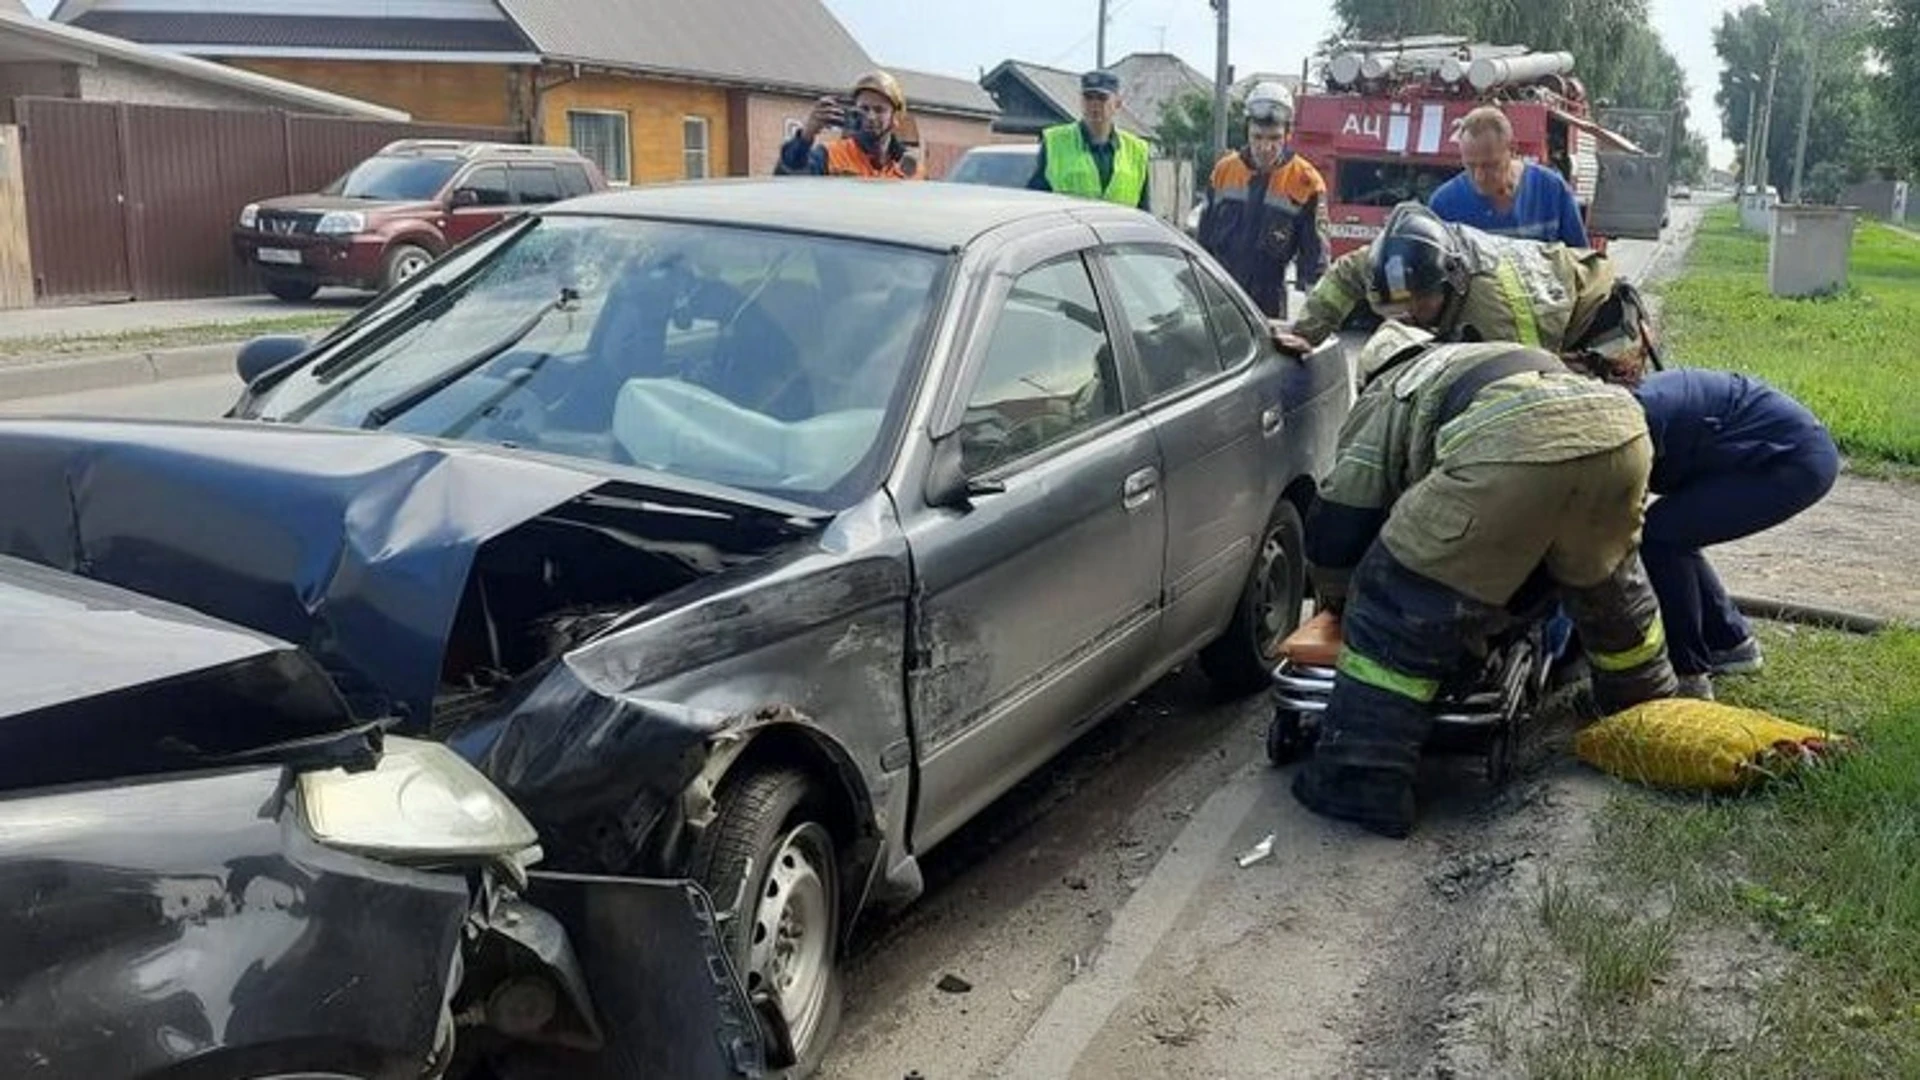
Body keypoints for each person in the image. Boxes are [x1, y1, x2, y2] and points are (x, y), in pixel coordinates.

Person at [1294, 320, 1678, 837]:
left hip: (1516, 444)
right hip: (1621, 433)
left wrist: (1340, 599)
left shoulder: (1390, 387)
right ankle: (1646, 713)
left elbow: (1344, 516)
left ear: (1373, 370)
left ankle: (1359, 779)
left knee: (1392, 602)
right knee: (1608, 587)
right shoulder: (1479, 359)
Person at [1627, 370, 1840, 699]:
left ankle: (1689, 676)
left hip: (1790, 461)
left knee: (1661, 536)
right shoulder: (1628, 408)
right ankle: (1731, 642)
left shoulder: (1631, 422)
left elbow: (1618, 521)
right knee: (1673, 529)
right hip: (1783, 450)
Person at [1278, 204, 1647, 374]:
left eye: (1419, 306)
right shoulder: (1404, 256)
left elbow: (1530, 382)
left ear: (1450, 281)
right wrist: (1307, 334)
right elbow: (1344, 276)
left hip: (1600, 323)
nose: (1408, 317)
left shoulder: (1495, 315)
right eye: (1395, 310)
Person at [1195, 82, 1328, 319]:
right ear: (1247, 130)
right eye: (1257, 137)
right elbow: (1202, 243)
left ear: (1288, 134)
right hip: (1220, 297)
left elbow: (1314, 263)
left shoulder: (1306, 182)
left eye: (1274, 138)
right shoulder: (1223, 171)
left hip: (1268, 305)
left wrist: (1315, 320)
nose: (1265, 147)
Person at [1429, 106, 1589, 246]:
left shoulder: (1552, 190)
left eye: (1489, 166)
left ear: (1512, 149)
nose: (1479, 177)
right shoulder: (1444, 206)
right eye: (1470, 166)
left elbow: (1582, 262)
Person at [1027, 70, 1152, 211]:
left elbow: (1144, 209)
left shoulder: (1136, 149)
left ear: (1117, 104)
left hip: (1119, 232)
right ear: (1081, 101)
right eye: (1088, 97)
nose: (1094, 104)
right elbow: (1036, 201)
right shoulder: (1055, 142)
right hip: (1072, 232)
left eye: (1101, 98)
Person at [776, 70, 922, 180]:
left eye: (879, 110)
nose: (870, 117)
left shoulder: (912, 170)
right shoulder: (830, 156)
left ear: (895, 117)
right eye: (864, 109)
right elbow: (788, 178)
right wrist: (806, 136)